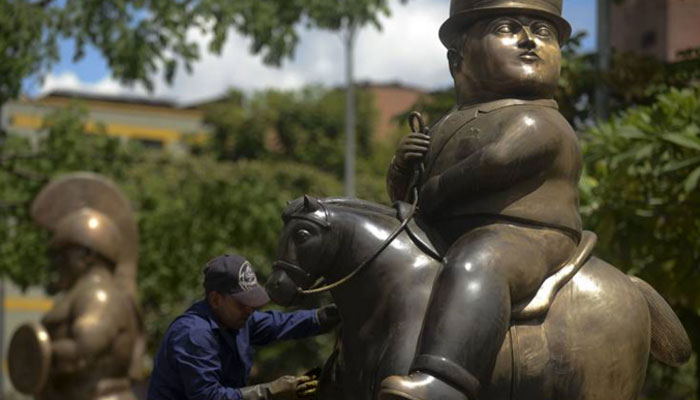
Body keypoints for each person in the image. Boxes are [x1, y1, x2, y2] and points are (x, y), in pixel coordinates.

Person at [380, 1, 581, 399]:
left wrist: (432, 194)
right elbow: (404, 200)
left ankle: (446, 383)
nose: (529, 40)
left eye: (543, 32)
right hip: (447, 233)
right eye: (508, 28)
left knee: (480, 259)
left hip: (526, 237)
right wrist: (403, 167)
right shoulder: (447, 124)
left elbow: (495, 162)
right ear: (458, 59)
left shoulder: (537, 119)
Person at [148, 254, 340, 400]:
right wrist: (270, 391)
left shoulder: (238, 319)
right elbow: (209, 397)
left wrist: (329, 315)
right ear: (215, 299)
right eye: (242, 303)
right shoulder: (194, 335)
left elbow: (281, 323)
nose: (250, 309)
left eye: (252, 302)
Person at [27, 173, 144, 400]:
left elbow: (82, 352)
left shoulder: (101, 297)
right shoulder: (83, 294)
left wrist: (37, 354)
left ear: (87, 254)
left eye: (62, 254)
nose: (58, 263)